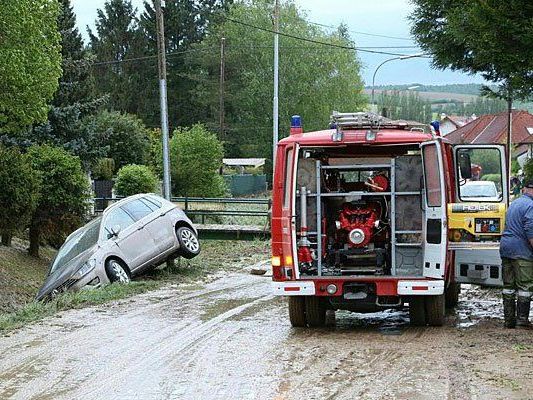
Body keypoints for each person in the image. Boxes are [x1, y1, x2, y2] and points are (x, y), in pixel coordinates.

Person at [499, 179, 533, 328]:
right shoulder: (530, 206)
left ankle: (509, 321)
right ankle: (522, 321)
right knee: (525, 286)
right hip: (521, 251)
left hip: (506, 249)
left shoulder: (515, 204)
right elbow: (530, 231)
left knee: (508, 285)